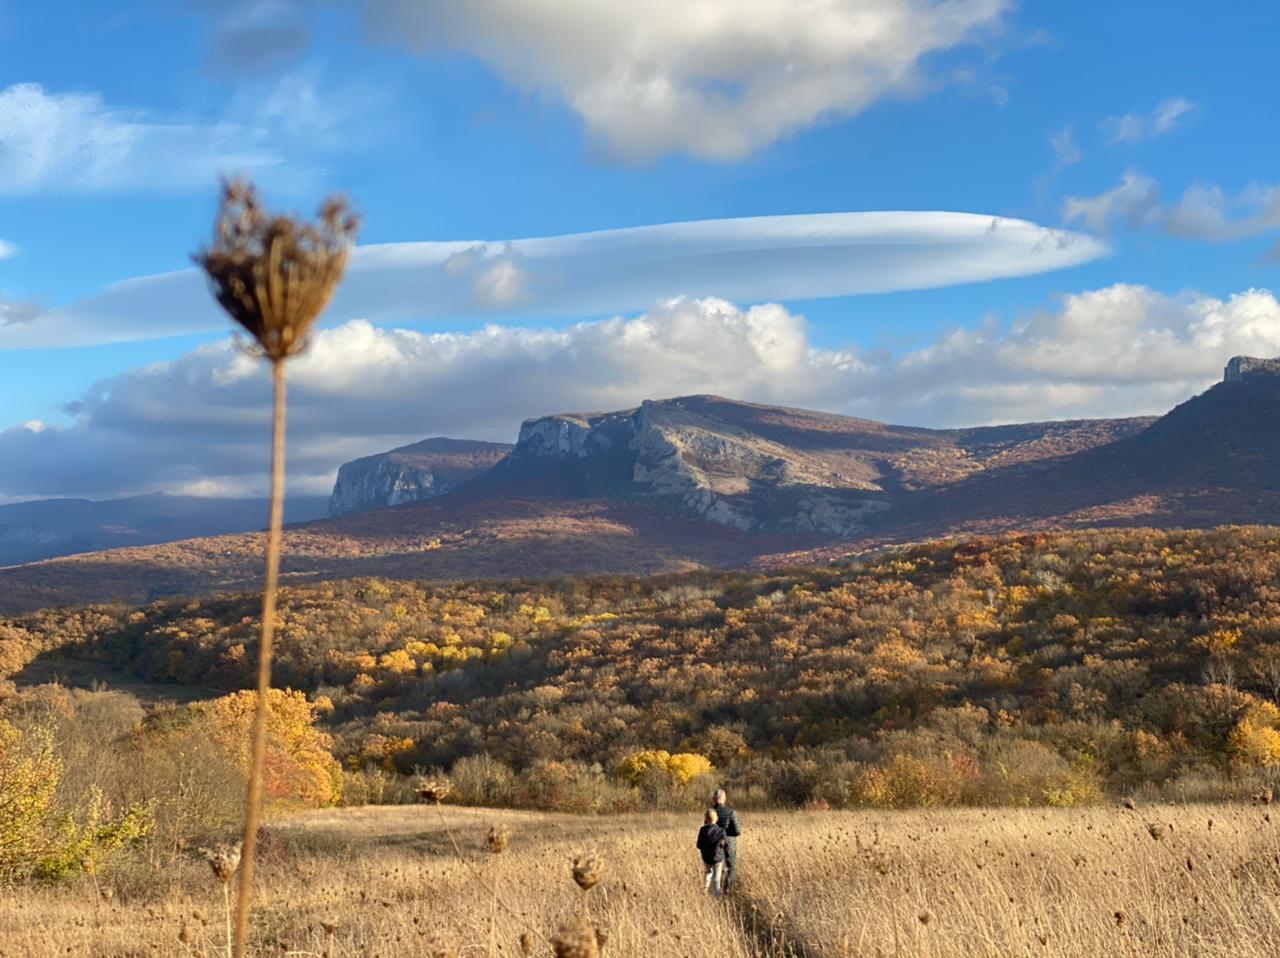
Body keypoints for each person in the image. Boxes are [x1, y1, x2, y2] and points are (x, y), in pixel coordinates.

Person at [710, 788, 742, 893]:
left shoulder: (710, 813)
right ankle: (727, 889)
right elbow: (737, 831)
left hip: (714, 843)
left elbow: (707, 829)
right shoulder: (731, 812)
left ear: (713, 799)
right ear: (724, 799)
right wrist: (728, 834)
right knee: (731, 867)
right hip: (730, 842)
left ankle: (716, 891)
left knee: (716, 867)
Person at [695, 808, 728, 896]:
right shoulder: (721, 831)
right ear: (716, 819)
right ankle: (716, 896)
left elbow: (698, 845)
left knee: (708, 873)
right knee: (716, 879)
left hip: (706, 857)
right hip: (717, 858)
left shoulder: (702, 830)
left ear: (705, 819)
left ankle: (705, 889)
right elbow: (725, 844)